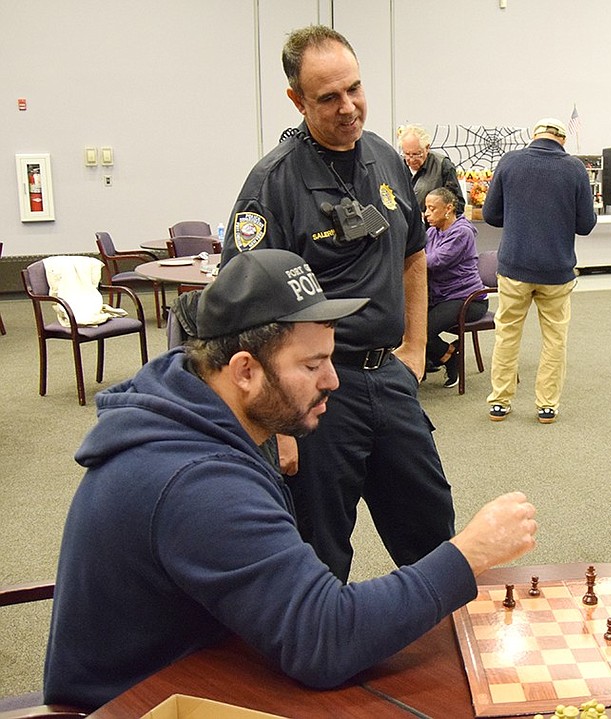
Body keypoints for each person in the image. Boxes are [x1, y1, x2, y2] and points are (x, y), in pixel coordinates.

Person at [43, 249, 539, 709]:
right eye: (312, 364)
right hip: (138, 704)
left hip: (206, 662)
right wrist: (470, 552)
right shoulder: (198, 484)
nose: (333, 380)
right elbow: (327, 639)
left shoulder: (195, 400)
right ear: (244, 372)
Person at [222, 25, 454, 581]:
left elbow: (413, 256)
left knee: (432, 533)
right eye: (328, 97)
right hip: (312, 396)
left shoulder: (386, 159)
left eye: (354, 89)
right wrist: (274, 421)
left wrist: (416, 348)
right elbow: (244, 310)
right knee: (318, 552)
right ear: (296, 100)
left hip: (390, 378)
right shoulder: (272, 183)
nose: (348, 107)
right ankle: (319, 662)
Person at [482, 117, 597, 424]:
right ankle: (547, 405)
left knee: (506, 333)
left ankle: (500, 402)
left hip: (514, 266)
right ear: (562, 139)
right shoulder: (575, 168)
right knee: (555, 338)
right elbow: (586, 225)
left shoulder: (510, 162)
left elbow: (490, 214)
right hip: (556, 270)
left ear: (533, 137)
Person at [424, 187, 488, 388]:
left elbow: (434, 261)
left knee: (421, 331)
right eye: (426, 208)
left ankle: (450, 357)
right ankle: (438, 356)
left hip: (468, 299)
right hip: (443, 298)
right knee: (405, 325)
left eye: (432, 208)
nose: (426, 213)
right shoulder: (433, 231)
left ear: (449, 208)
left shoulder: (462, 232)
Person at [398, 124, 464, 215]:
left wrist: (431, 214)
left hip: (433, 227)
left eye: (417, 154)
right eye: (407, 154)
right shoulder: (397, 165)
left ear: (427, 148)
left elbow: (457, 205)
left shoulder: (443, 165)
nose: (412, 159)